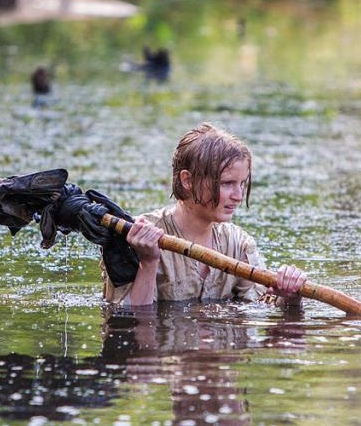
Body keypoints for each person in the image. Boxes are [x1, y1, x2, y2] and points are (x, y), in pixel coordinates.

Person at [103, 122, 307, 308]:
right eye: (227, 183)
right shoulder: (138, 236)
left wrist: (289, 297)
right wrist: (148, 262)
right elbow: (128, 321)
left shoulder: (239, 243)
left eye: (242, 184)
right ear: (188, 181)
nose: (238, 196)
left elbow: (261, 308)